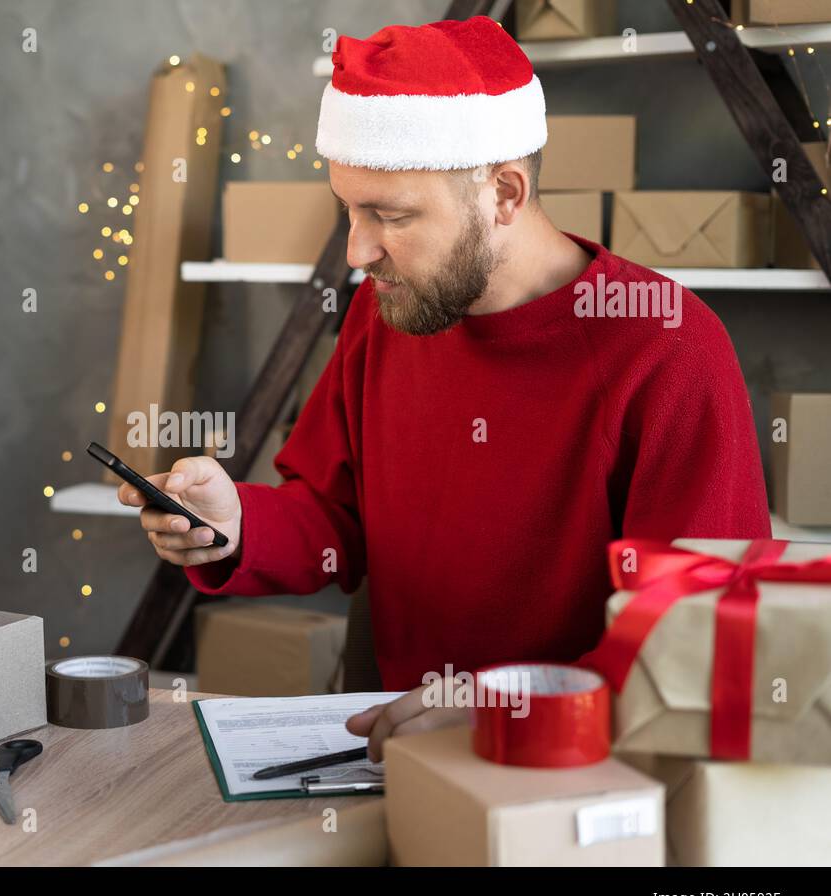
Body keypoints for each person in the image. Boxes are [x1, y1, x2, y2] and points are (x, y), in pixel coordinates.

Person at [117, 17, 769, 760]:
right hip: (399, 755)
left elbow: (697, 642)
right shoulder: (386, 308)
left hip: (579, 775)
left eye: (391, 216)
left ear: (504, 193)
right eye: (349, 211)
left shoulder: (668, 349)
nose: (357, 251)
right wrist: (233, 525)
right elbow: (335, 520)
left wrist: (505, 710)